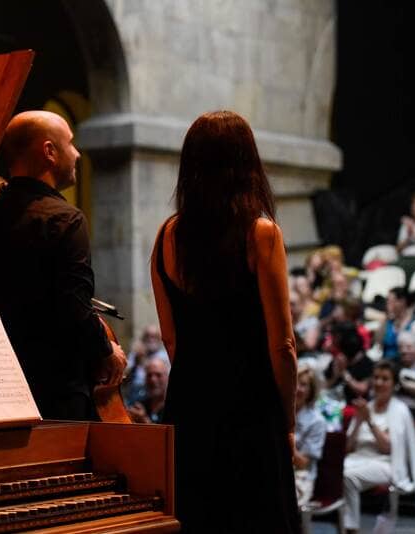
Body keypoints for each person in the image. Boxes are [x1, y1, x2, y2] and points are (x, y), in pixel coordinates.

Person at [150, 110, 299, 532]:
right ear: (246, 162)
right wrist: (286, 420)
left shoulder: (167, 236)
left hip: (189, 410)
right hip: (250, 415)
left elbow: (171, 339)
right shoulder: (261, 233)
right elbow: (282, 345)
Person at [0, 110, 126, 420]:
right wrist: (106, 351)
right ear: (49, 152)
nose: (76, 154)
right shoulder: (65, 220)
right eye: (70, 144)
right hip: (56, 398)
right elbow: (74, 304)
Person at [342, 360, 415, 534]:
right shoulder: (367, 406)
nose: (379, 383)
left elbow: (387, 449)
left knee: (347, 476)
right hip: (357, 458)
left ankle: (351, 529)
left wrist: (369, 421)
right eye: (376, 378)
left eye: (385, 379)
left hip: (386, 463)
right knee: (333, 471)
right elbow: (348, 448)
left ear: (394, 384)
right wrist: (358, 422)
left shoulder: (400, 410)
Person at [294, 364, 327, 508]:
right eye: (293, 382)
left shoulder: (316, 421)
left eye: (303, 385)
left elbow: (302, 463)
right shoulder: (278, 413)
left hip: (301, 478)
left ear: (310, 391)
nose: (296, 388)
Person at [375, 286, 415, 359]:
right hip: (386, 362)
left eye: (390, 301)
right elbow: (378, 343)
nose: (387, 304)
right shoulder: (387, 323)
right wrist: (385, 319)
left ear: (402, 302)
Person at [128, 358, 169, 424]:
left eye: (158, 375)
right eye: (149, 375)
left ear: (168, 377)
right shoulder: (139, 405)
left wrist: (144, 420)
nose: (152, 379)